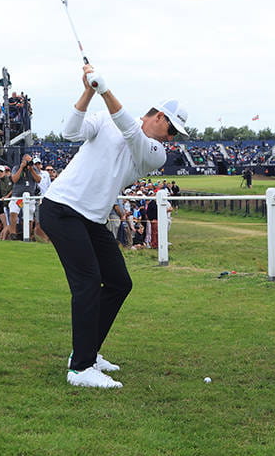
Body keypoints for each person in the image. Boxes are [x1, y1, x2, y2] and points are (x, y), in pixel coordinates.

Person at [39, 62, 189, 389]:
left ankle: (88, 352)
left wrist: (105, 90)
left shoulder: (155, 153)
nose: (172, 137)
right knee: (89, 283)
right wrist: (88, 91)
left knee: (119, 282)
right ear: (159, 117)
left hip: (90, 217)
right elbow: (70, 132)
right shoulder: (106, 121)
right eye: (172, 129)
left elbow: (131, 133)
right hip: (62, 208)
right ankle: (79, 369)